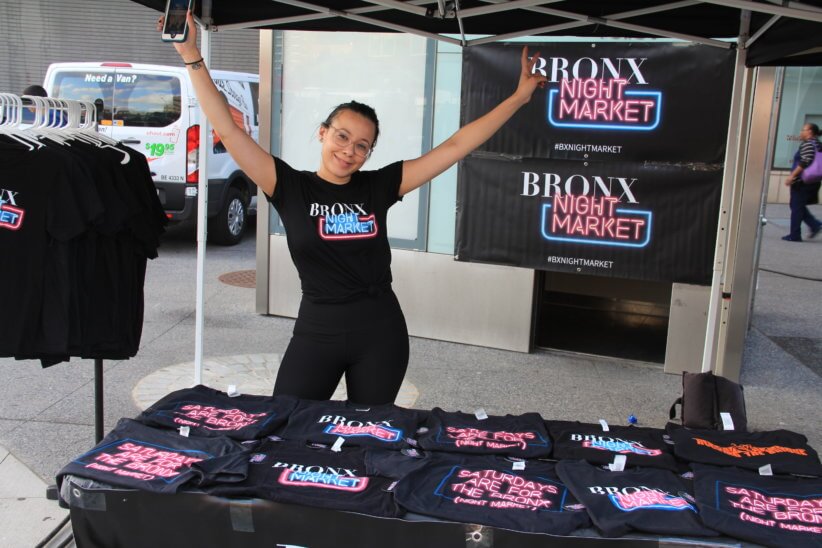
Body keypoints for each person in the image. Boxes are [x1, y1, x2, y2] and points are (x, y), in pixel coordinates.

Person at [158, 11, 547, 405]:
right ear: (322, 133)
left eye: (362, 145)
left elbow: (455, 147)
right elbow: (227, 128)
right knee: (287, 426)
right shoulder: (288, 186)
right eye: (342, 136)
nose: (349, 150)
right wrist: (190, 53)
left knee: (369, 438)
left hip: (380, 332)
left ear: (369, 153)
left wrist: (518, 98)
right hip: (317, 332)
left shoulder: (378, 187)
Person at [782, 123, 822, 242]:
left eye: (803, 130)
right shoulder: (818, 144)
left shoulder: (808, 144)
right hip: (814, 181)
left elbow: (805, 161)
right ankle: (815, 225)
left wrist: (792, 176)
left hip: (802, 181)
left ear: (810, 132)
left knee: (796, 207)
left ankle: (795, 235)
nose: (801, 132)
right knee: (796, 205)